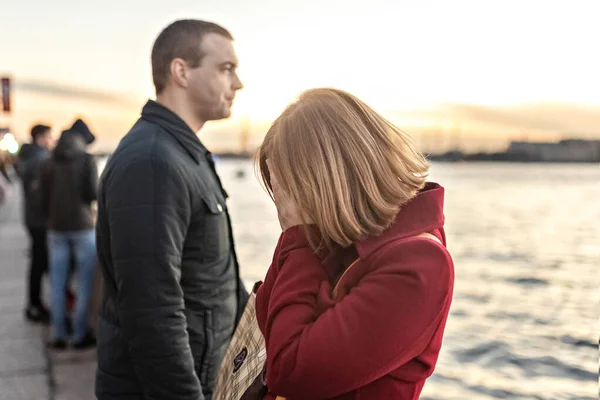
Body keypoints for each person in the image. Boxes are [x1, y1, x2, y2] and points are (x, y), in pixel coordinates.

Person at [254, 88, 455, 400]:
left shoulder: (418, 265)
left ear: (327, 178)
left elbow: (288, 371)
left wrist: (298, 236)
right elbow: (268, 315)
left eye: (289, 187)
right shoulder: (339, 235)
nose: (283, 203)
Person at [95, 19, 248, 400]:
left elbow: (212, 274)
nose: (238, 83)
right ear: (180, 71)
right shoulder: (152, 161)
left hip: (205, 372)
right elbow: (152, 311)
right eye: (225, 68)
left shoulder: (181, 152)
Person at [40, 119, 99, 350]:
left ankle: (59, 334)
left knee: (57, 281)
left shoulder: (49, 161)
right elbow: (92, 193)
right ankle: (79, 333)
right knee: (84, 283)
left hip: (56, 227)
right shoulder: (86, 160)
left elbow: (42, 198)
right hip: (82, 227)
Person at [16, 124, 53, 323]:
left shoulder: (28, 157)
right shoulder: (39, 160)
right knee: (40, 262)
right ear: (40, 137)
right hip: (39, 220)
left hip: (32, 218)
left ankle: (36, 303)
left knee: (40, 262)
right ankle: (35, 305)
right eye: (49, 136)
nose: (51, 139)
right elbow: (40, 193)